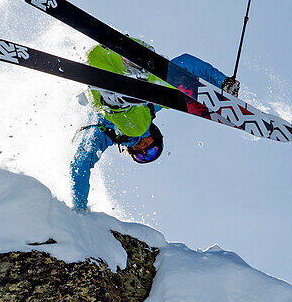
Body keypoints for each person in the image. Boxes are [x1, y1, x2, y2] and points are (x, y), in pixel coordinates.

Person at [70, 39, 239, 210]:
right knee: (159, 92)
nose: (143, 151)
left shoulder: (102, 135)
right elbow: (186, 64)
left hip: (95, 68)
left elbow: (80, 165)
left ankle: (119, 95)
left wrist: (78, 210)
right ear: (156, 137)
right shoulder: (155, 105)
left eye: (142, 157)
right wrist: (222, 83)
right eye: (151, 151)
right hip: (116, 56)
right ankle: (136, 70)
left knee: (137, 125)